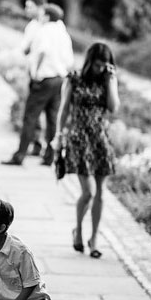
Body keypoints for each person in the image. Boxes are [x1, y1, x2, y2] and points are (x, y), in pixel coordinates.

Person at [52, 43, 120, 259]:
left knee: (101, 192)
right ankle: (79, 230)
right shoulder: (73, 78)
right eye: (98, 65)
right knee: (88, 191)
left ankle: (94, 239)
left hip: (100, 139)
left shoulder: (108, 79)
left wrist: (110, 81)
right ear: (90, 61)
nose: (100, 69)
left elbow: (113, 108)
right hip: (79, 139)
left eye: (105, 65)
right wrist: (58, 138)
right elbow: (63, 111)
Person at [4, 3, 74, 166]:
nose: (39, 17)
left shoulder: (44, 30)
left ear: (48, 16)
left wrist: (35, 72)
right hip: (59, 79)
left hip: (44, 78)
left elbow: (43, 50)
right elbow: (69, 60)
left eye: (42, 14)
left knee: (30, 117)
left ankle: (19, 155)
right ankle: (50, 156)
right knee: (52, 119)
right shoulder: (63, 33)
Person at [20, 0, 49, 156]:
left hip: (40, 74)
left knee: (32, 113)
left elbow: (27, 49)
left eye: (29, 6)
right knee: (40, 114)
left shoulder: (43, 27)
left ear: (40, 8)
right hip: (38, 72)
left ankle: (25, 150)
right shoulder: (32, 25)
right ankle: (38, 143)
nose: (26, 9)